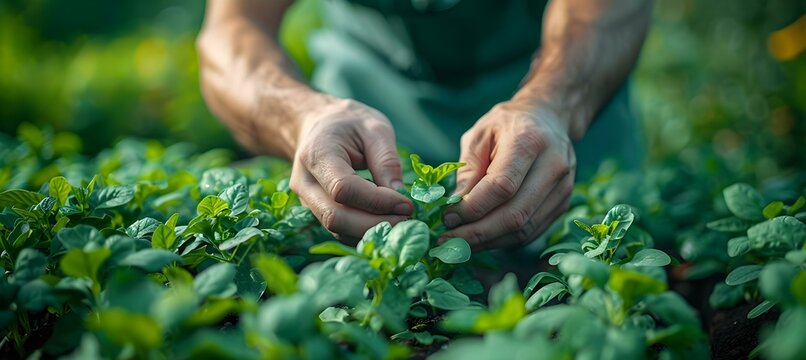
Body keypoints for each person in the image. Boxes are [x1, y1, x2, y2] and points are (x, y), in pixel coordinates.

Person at [197, 0, 652, 251]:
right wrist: (301, 117)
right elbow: (231, 30)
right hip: (364, 94)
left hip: (558, 103)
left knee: (584, 254)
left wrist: (552, 105)